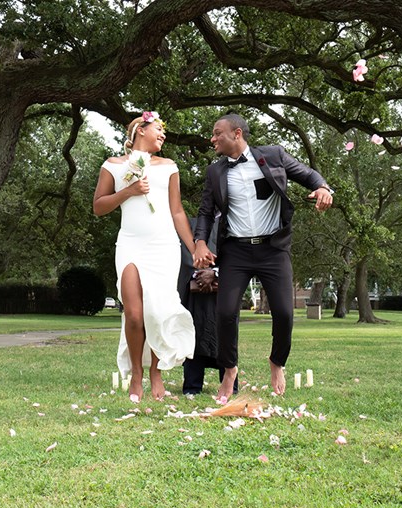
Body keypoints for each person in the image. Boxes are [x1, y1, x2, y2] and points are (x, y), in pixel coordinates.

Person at [193, 113, 333, 402]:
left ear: (238, 134)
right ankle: (229, 369)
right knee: (225, 312)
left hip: (273, 249)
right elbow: (206, 212)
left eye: (218, 132)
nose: (213, 138)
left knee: (283, 313)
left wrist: (322, 188)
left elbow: (308, 175)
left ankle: (277, 363)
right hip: (236, 251)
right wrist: (200, 243)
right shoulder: (215, 171)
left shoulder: (273, 156)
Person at [93, 111, 195, 401]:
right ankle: (136, 374)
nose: (163, 135)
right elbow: (99, 207)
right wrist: (129, 191)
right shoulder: (113, 166)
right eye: (158, 129)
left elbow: (177, 211)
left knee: (155, 312)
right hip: (130, 244)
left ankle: (155, 374)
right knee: (135, 315)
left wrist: (193, 247)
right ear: (140, 130)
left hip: (164, 246)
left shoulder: (169, 167)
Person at [177, 217, 238, 396]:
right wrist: (198, 274)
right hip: (194, 289)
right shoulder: (189, 224)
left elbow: (239, 256)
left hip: (225, 290)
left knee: (225, 334)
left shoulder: (234, 222)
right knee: (194, 332)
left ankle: (229, 384)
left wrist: (215, 273)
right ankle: (192, 385)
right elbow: (183, 252)